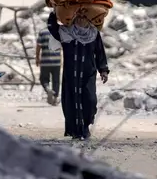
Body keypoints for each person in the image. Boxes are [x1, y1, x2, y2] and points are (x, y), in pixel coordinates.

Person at [46, 11, 109, 140]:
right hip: (71, 75)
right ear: (74, 17)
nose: (81, 20)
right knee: (71, 102)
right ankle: (75, 131)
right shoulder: (66, 33)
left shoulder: (93, 34)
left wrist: (103, 70)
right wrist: (54, 12)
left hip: (88, 74)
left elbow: (100, 52)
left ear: (88, 19)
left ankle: (85, 127)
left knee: (90, 101)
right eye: (78, 17)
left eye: (84, 17)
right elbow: (52, 27)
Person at [36, 28, 62, 105]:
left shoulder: (42, 32)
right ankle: (55, 99)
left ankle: (48, 89)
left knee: (43, 79)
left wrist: (37, 58)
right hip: (56, 61)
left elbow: (38, 46)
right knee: (56, 80)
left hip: (45, 61)